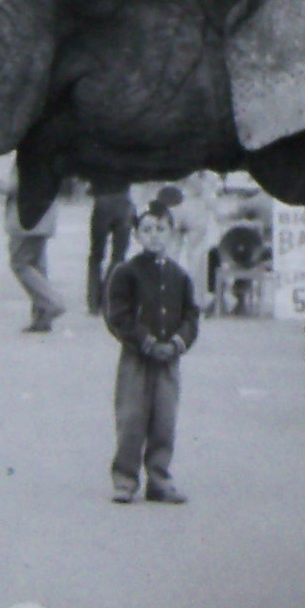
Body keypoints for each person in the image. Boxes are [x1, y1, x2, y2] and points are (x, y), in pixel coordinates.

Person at [103, 202, 199, 505]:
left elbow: (191, 316)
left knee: (164, 421)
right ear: (136, 235)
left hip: (168, 360)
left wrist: (177, 343)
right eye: (146, 229)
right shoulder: (126, 272)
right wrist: (145, 341)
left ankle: (159, 479)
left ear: (171, 232)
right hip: (136, 359)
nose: (154, 235)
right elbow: (118, 315)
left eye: (160, 229)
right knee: (131, 418)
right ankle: (125, 479)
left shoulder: (180, 276)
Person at [4, 182, 66, 334]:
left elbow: (14, 186)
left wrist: (1, 185)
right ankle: (42, 318)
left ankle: (52, 303)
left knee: (20, 264)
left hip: (26, 218)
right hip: (44, 217)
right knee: (37, 265)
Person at [85, 178, 135, 318]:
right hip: (124, 203)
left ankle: (93, 301)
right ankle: (109, 296)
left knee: (96, 255)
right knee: (119, 256)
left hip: (102, 203)